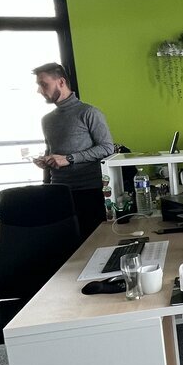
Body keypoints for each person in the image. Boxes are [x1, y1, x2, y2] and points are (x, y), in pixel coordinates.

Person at [32, 63, 115, 240]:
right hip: (59, 193)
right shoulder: (47, 120)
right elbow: (52, 150)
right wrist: (46, 161)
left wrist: (69, 158)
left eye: (44, 84)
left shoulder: (89, 113)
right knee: (65, 246)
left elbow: (107, 147)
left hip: (90, 192)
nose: (39, 90)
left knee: (92, 244)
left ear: (61, 82)